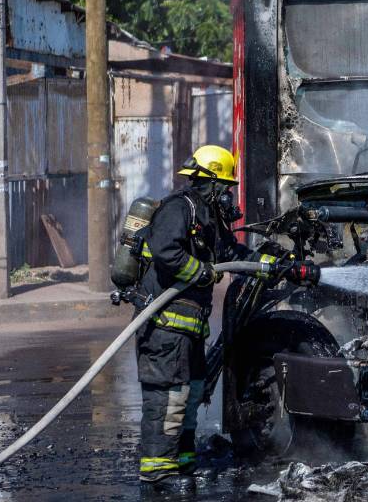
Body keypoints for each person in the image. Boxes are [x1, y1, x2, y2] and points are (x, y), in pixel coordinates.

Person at [131, 145, 269, 491]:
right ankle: (157, 475)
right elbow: (166, 252)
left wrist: (263, 262)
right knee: (166, 398)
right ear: (207, 181)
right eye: (225, 187)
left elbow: (228, 253)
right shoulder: (179, 208)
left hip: (188, 329)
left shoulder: (205, 218)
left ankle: (182, 463)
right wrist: (202, 272)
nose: (228, 195)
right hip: (164, 326)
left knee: (188, 396)